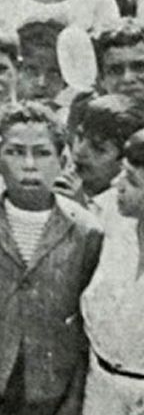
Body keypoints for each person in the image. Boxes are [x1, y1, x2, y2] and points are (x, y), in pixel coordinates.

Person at [0, 102, 104, 415]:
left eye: (42, 153)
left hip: (50, 386)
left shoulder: (86, 231)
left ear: (62, 160)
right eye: (16, 152)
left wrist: (75, 396)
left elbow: (87, 321)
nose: (29, 164)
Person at [80, 128, 144, 414]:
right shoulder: (106, 214)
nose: (117, 183)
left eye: (132, 181)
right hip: (99, 386)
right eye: (122, 172)